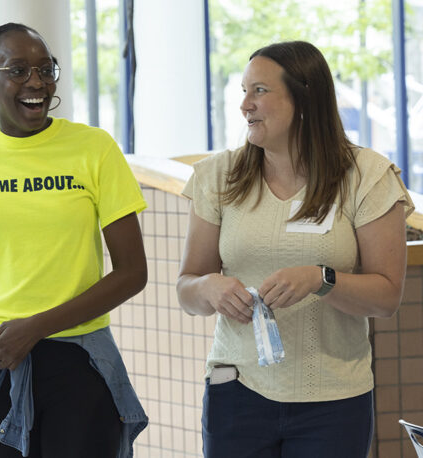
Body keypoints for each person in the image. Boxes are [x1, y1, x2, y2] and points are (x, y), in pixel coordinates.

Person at [177, 40, 413, 458]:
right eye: (244, 91)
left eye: (260, 91)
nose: (245, 105)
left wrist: (321, 280)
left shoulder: (367, 176)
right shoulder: (218, 176)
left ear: (305, 99)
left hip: (335, 402)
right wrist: (208, 288)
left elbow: (386, 297)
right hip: (237, 392)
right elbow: (187, 287)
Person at [0, 22, 149, 458]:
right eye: (19, 70)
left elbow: (132, 273)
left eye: (46, 70)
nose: (36, 82)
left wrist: (37, 327)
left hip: (77, 357)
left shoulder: (94, 148)